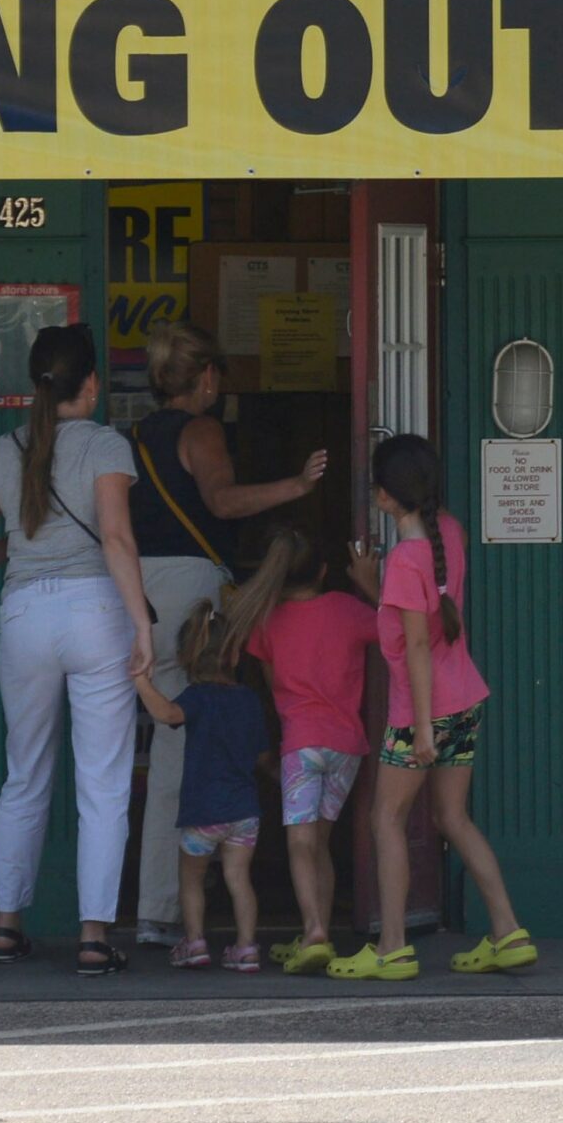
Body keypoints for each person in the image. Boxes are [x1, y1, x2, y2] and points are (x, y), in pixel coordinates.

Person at [0, 323, 154, 978]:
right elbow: (117, 541)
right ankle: (94, 937)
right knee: (102, 782)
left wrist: (21, 550)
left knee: (25, 772)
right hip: (96, 612)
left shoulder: (3, 451)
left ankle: (7, 926)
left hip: (25, 616)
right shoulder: (104, 444)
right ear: (90, 383)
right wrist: (142, 624)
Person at [127, 320, 327, 944]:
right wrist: (296, 487)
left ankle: (152, 903)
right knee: (190, 748)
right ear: (207, 377)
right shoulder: (203, 428)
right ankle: (173, 907)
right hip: (190, 589)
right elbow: (221, 502)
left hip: (134, 587)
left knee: (151, 744)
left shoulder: (129, 436)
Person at [328, 433, 537, 981]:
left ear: (387, 496)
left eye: (377, 484)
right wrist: (377, 588)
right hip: (464, 698)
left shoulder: (404, 558)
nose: (373, 491)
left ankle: (392, 946)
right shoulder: (449, 533)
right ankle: (508, 932)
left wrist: (420, 728)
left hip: (420, 712)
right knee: (453, 818)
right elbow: (428, 620)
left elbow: (416, 645)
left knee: (385, 817)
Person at [228, 526, 381, 973]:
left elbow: (274, 684)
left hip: (301, 744)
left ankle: (314, 932)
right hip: (347, 745)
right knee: (321, 844)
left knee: (299, 840)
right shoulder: (349, 611)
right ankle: (320, 932)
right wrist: (372, 585)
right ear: (323, 570)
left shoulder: (266, 622)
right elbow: (393, 627)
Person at [134, 598, 269, 972]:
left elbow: (166, 714)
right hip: (244, 813)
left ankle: (194, 943)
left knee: (191, 879)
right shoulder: (249, 700)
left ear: (185, 659)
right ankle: (246, 948)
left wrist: (141, 681)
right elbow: (261, 756)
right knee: (239, 878)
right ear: (234, 656)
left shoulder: (197, 697)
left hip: (203, 813)